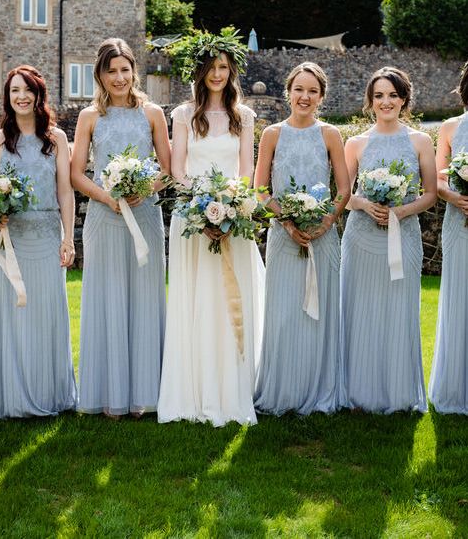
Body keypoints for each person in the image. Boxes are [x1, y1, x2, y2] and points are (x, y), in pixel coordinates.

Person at [157, 31, 265, 426]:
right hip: (193, 216)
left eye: (224, 67)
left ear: (231, 70)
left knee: (228, 298)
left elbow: (248, 169)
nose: (217, 74)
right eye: (211, 67)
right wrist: (203, 205)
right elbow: (177, 170)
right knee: (197, 298)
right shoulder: (184, 115)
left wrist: (232, 203)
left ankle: (232, 387)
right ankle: (195, 389)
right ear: (199, 72)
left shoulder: (244, 116)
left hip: (234, 216)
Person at [71, 38, 170, 418]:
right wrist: (108, 198)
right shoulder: (89, 117)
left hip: (144, 213)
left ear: (134, 70)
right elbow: (77, 172)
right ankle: (108, 395)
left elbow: (167, 167)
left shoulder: (153, 113)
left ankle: (145, 395)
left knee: (145, 296)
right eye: (111, 71)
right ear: (100, 74)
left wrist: (144, 188)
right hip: (105, 215)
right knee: (108, 296)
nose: (119, 77)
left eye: (125, 69)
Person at [253, 62, 350, 415]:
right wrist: (287, 222)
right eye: (299, 89)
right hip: (283, 236)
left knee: (319, 314)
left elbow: (343, 188)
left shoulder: (330, 135)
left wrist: (325, 223)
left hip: (323, 238)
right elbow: (260, 189)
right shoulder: (272, 134)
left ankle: (318, 389)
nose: (304, 97)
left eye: (312, 91)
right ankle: (284, 392)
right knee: (283, 315)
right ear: (288, 92)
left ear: (321, 96)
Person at [0, 65, 77, 418]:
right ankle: (10, 395)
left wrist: (68, 237)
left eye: (28, 90)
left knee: (46, 315)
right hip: (9, 238)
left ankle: (48, 392)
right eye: (14, 91)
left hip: (45, 232)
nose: (21, 96)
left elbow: (65, 191)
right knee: (10, 314)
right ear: (7, 97)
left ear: (39, 95)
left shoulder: (56, 140)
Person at [341, 66, 436, 413]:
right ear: (370, 101)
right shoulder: (355, 143)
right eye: (379, 95)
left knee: (399, 310)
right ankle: (358, 394)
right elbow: (343, 196)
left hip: (404, 235)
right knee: (360, 311)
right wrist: (365, 204)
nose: (386, 102)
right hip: (362, 237)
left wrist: (402, 211)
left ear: (404, 98)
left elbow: (430, 194)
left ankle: (398, 394)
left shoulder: (421, 141)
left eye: (393, 95)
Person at [429, 62, 468, 414]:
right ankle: (455, 388)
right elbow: (437, 182)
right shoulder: (450, 128)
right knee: (459, 298)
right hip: (460, 222)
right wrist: (457, 198)